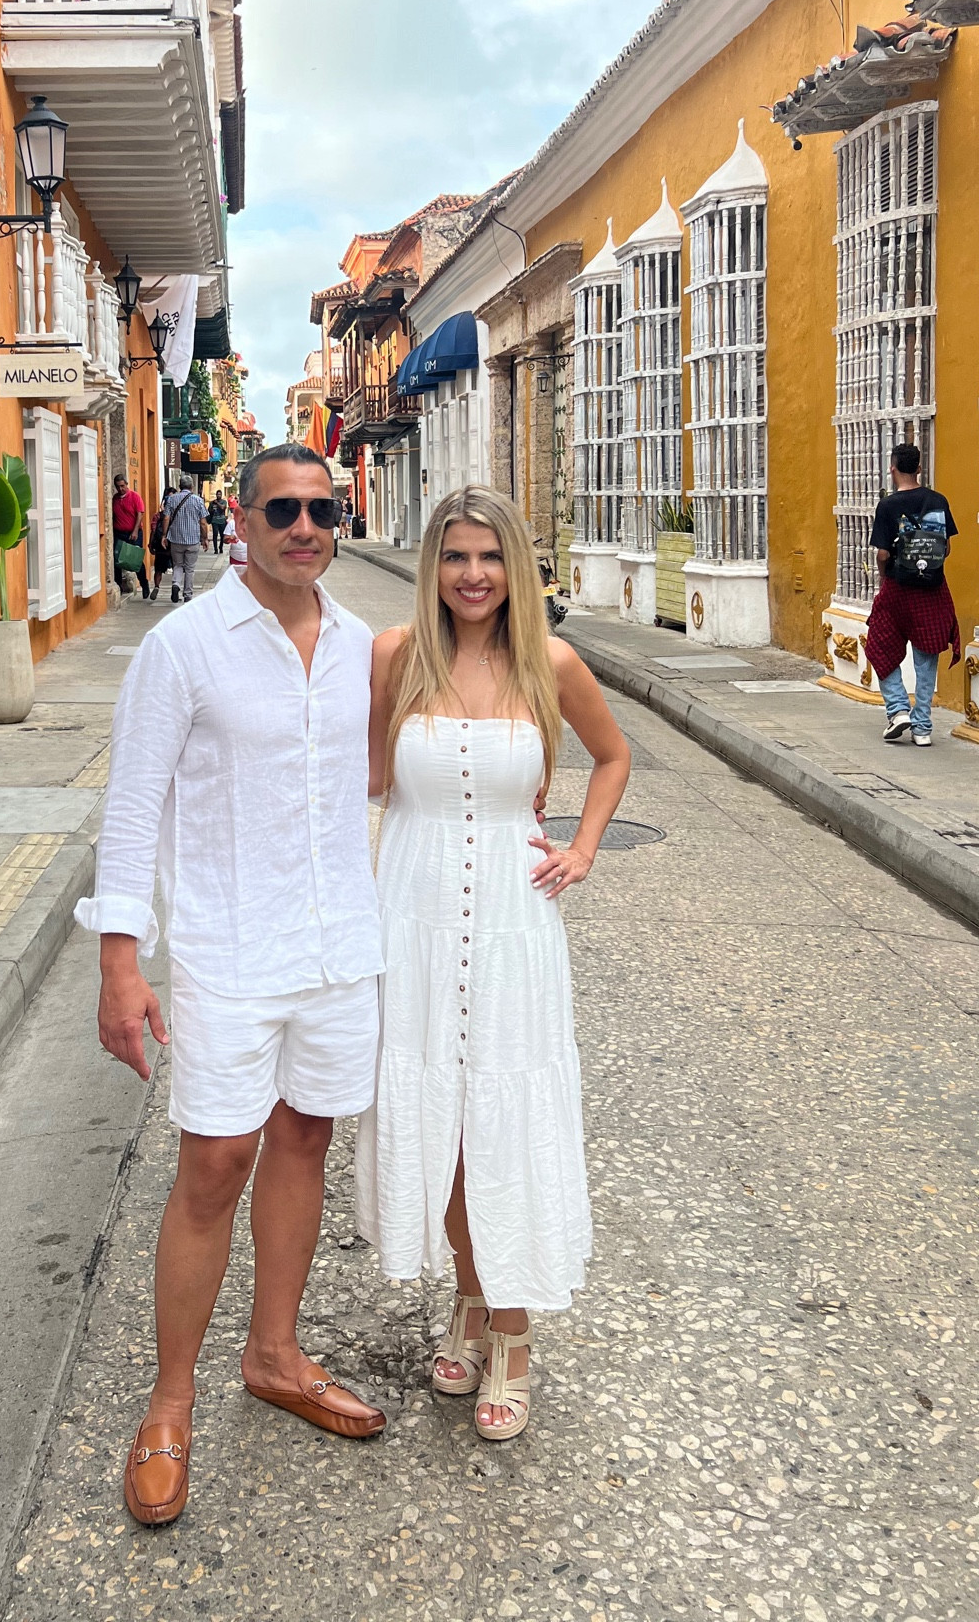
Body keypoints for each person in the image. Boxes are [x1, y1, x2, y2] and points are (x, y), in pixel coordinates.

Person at [79, 444, 385, 1527]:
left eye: (323, 508)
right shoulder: (185, 646)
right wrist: (122, 958)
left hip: (337, 943)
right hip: (228, 946)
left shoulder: (360, 646)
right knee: (214, 1160)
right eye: (284, 509)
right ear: (242, 520)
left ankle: (276, 1351)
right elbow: (132, 806)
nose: (306, 525)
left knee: (307, 1138)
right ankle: (169, 1401)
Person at [356, 485, 630, 1444]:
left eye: (490, 557)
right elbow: (367, 781)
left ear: (516, 565)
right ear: (433, 566)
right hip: (415, 913)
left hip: (516, 924)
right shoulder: (397, 658)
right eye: (455, 556)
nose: (473, 575)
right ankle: (472, 1300)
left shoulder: (550, 662)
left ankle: (511, 1336)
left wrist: (584, 849)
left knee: (504, 1119)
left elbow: (612, 757)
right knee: (452, 1130)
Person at [866, 442, 960, 747]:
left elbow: (882, 553)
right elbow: (946, 547)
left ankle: (897, 710)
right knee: (926, 658)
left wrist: (884, 576)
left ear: (892, 467)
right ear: (919, 468)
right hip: (932, 590)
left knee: (879, 646)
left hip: (897, 589)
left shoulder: (888, 506)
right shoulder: (938, 500)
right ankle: (922, 727)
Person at [163, 477, 211, 602]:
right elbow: (203, 523)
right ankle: (188, 594)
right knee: (190, 568)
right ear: (192, 487)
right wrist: (205, 538)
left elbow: (166, 518)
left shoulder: (172, 499)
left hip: (176, 538)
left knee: (178, 565)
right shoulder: (198, 500)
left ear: (179, 486)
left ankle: (176, 584)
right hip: (193, 540)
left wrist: (164, 535)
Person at [112, 472, 148, 601]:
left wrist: (135, 530)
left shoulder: (135, 497)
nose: (120, 489)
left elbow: (140, 514)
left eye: (122, 486)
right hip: (119, 533)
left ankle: (144, 584)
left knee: (136, 560)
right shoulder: (115, 499)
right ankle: (119, 586)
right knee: (117, 561)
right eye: (118, 486)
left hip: (134, 532)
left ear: (127, 484)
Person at [148, 494, 174, 601]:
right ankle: (174, 588)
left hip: (160, 547)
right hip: (172, 546)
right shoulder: (175, 516)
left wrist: (151, 544)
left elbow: (153, 530)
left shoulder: (157, 516)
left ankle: (157, 586)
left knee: (158, 569)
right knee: (176, 568)